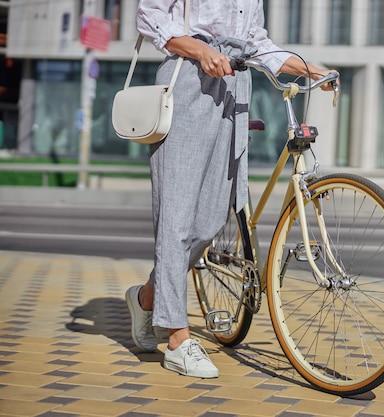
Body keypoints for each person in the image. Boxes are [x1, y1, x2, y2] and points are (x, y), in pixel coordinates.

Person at [125, 0, 338, 379]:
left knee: (208, 224)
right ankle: (177, 338)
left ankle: (145, 299)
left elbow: (256, 42)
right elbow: (149, 15)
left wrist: (311, 69)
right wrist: (200, 49)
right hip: (187, 80)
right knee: (176, 217)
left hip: (236, 88)